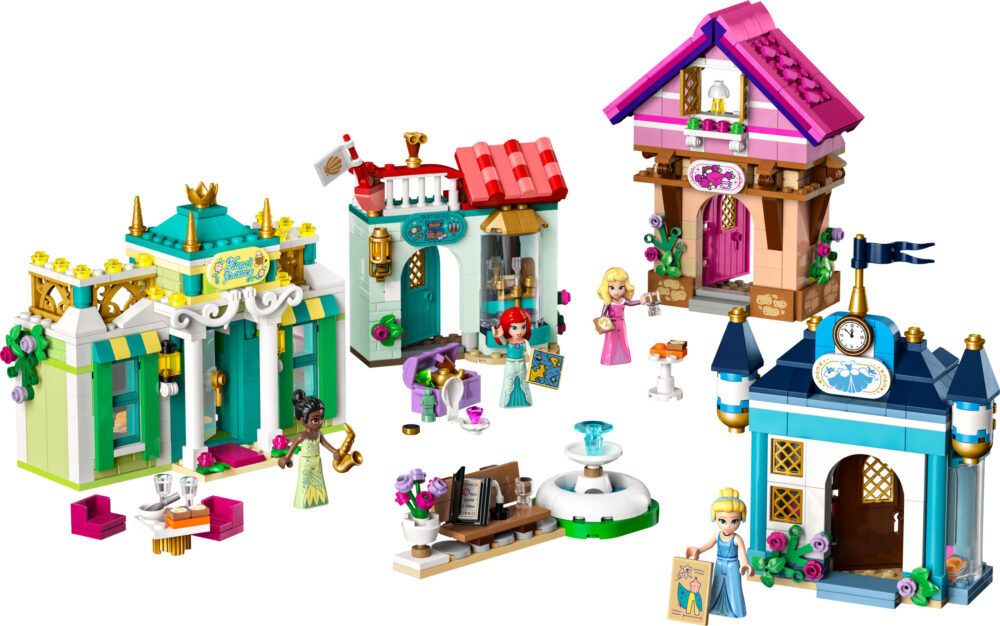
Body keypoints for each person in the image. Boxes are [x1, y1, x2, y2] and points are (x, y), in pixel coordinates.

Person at [686, 488, 752, 618]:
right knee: (715, 585)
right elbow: (709, 545)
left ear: (740, 520)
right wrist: (698, 550)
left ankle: (736, 611)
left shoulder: (737, 539)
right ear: (715, 518)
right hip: (719, 563)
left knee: (734, 587)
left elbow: (743, 554)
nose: (728, 526)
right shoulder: (717, 535)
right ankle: (713, 607)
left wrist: (745, 564)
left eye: (734, 521)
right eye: (723, 521)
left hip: (733, 565)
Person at [278, 390, 342, 509]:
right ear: (303, 420)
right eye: (315, 420)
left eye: (321, 418)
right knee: (305, 483)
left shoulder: (319, 434)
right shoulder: (302, 436)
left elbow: (325, 444)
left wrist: (335, 452)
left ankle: (319, 500)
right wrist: (286, 458)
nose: (320, 423)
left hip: (317, 462)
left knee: (318, 481)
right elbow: (292, 446)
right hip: (306, 463)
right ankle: (303, 503)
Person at [596, 267, 646, 365]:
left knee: (623, 340)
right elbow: (602, 315)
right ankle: (609, 359)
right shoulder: (608, 302)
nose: (616, 291)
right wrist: (602, 325)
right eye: (612, 288)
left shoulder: (623, 300)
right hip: (611, 324)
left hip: (621, 323)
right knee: (610, 341)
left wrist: (640, 301)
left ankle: (624, 358)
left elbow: (631, 303)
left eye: (620, 288)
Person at [491, 306, 533, 408]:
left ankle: (526, 402)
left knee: (524, 382)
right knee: (508, 382)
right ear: (507, 328)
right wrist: (499, 335)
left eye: (523, 327)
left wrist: (538, 359)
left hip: (521, 363)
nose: (519, 331)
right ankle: (506, 402)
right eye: (514, 328)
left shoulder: (524, 341)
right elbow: (503, 342)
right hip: (510, 364)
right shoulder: (508, 341)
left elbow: (530, 352)